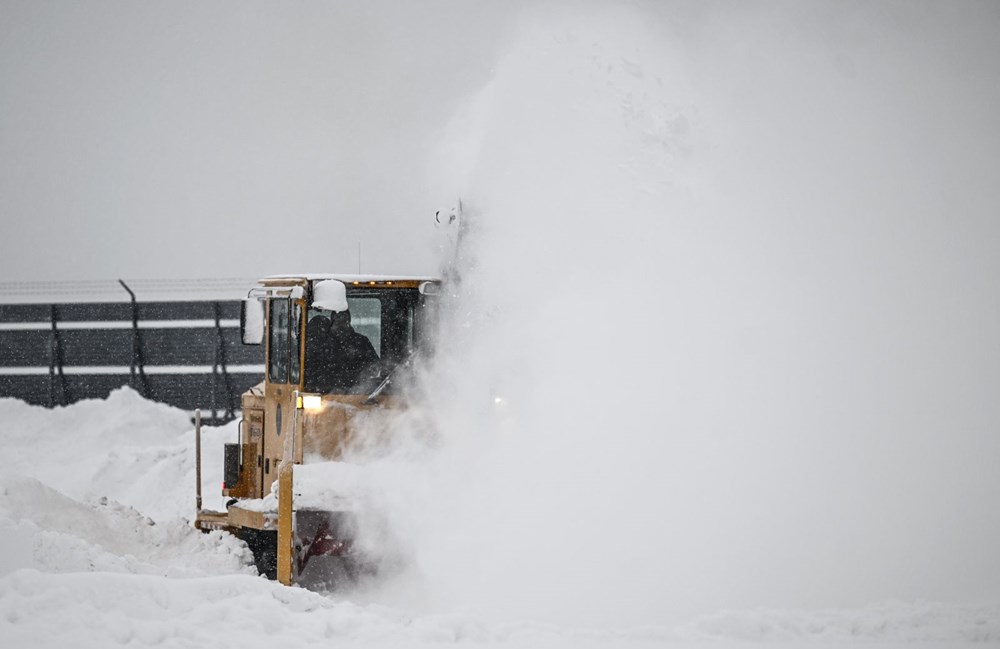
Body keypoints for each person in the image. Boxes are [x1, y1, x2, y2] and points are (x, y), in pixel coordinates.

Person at [305, 280, 380, 392]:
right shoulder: (322, 342)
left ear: (349, 321)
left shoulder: (361, 342)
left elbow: (375, 367)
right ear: (332, 320)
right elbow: (312, 369)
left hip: (357, 393)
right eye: (337, 319)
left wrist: (360, 371)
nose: (341, 324)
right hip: (325, 394)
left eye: (344, 319)